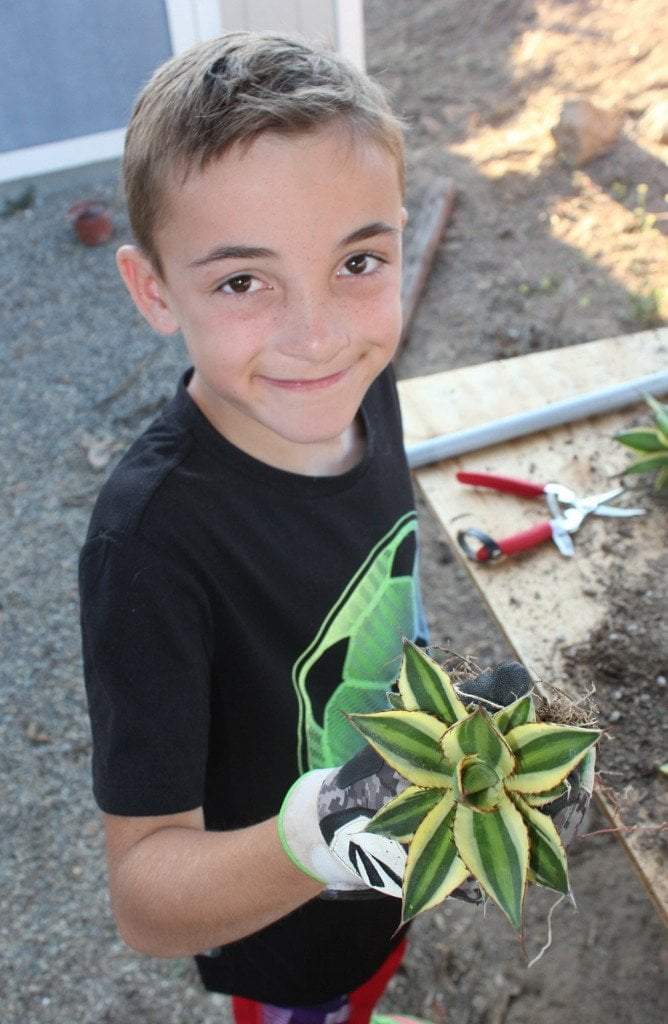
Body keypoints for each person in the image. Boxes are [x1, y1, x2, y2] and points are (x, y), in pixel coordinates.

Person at [78, 31, 591, 1024]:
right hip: (287, 941)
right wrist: (315, 837)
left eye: (358, 260)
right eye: (241, 281)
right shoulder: (149, 548)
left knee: (369, 984)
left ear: (397, 235)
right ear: (153, 291)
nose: (317, 335)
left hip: (385, 882)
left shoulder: (364, 384)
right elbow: (143, 897)